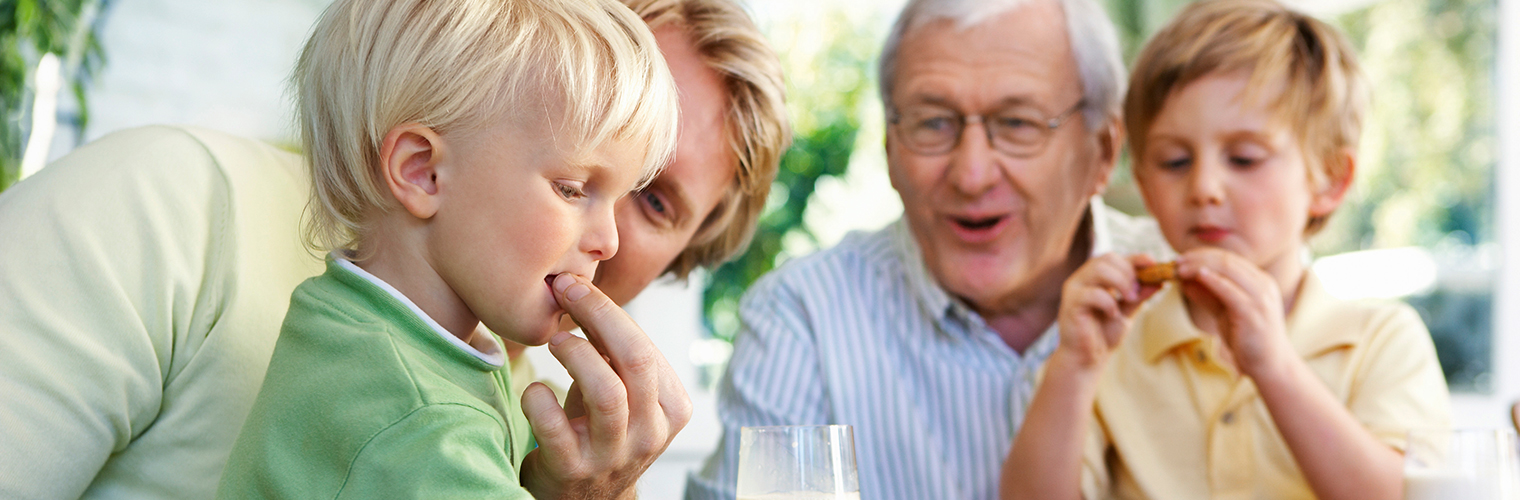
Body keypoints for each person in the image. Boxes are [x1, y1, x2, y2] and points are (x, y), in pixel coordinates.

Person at [0, 0, 786, 497]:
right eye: (577, 175)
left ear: (681, 259)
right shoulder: (171, 198)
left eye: (647, 196)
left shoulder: (547, 409)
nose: (605, 234)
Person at [685, 0, 1170, 498]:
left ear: (1104, 150)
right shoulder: (803, 318)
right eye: (933, 122)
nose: (972, 174)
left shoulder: (1196, 296)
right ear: (890, 148)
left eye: (1018, 124)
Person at [211, 0, 689, 497]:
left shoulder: (347, 321)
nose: (609, 242)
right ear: (423, 171)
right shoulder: (424, 428)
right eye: (571, 188)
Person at [1000, 1, 1450, 499]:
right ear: (1145, 186)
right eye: (1174, 161)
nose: (1204, 187)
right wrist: (1075, 366)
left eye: (1244, 158)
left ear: (1329, 179)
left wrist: (1274, 367)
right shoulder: (1111, 346)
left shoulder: (1381, 342)